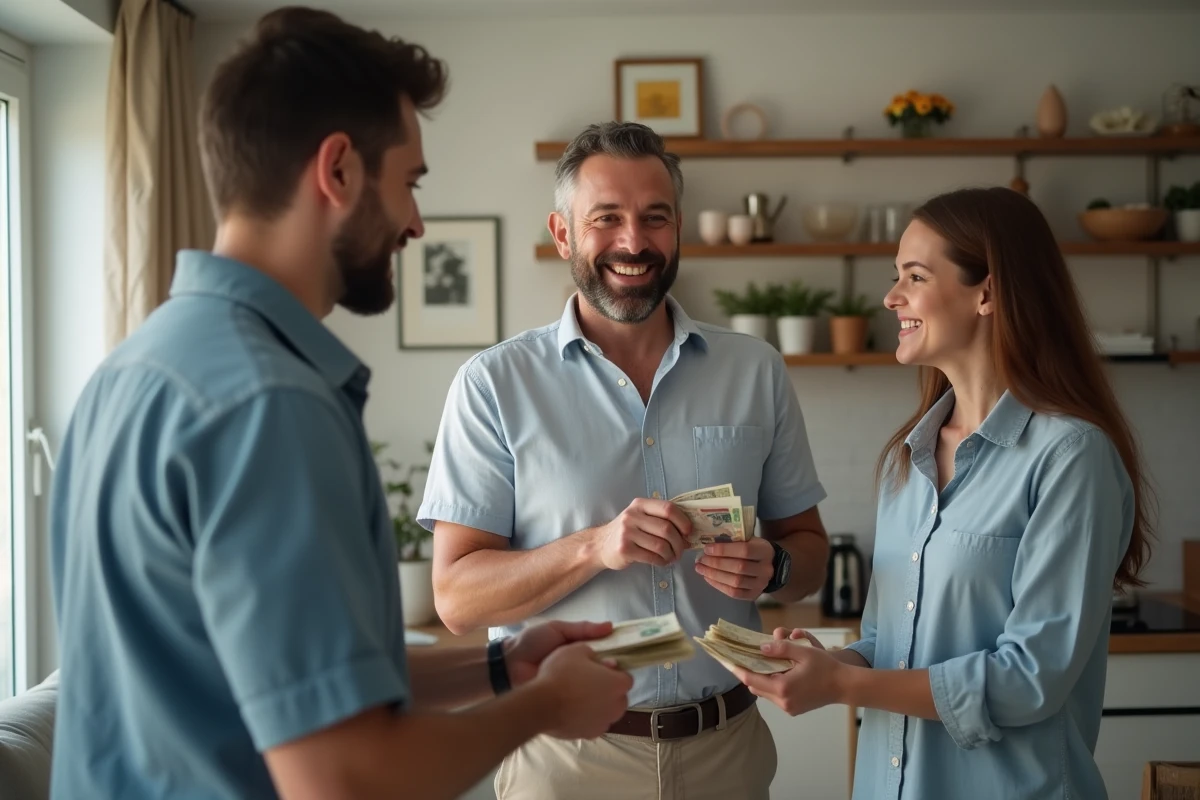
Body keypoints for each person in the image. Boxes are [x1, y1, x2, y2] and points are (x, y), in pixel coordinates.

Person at [48, 9, 632, 800]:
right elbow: (345, 777)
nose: (416, 223)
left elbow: (275, 682)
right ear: (339, 171)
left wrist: (500, 664)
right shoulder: (272, 406)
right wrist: (544, 705)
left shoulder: (132, 369)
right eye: (410, 183)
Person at [418, 121, 831, 799]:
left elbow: (808, 552)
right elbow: (457, 601)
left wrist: (777, 566)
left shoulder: (755, 370)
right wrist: (592, 547)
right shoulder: (492, 385)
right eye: (606, 218)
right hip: (565, 762)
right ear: (562, 235)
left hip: (728, 751)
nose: (633, 243)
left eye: (654, 218)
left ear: (678, 229)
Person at [733, 187, 1154, 800]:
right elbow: (887, 643)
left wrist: (845, 687)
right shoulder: (906, 460)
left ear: (987, 292)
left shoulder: (1070, 457)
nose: (891, 296)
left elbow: (1030, 680)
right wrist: (832, 666)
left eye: (915, 276)